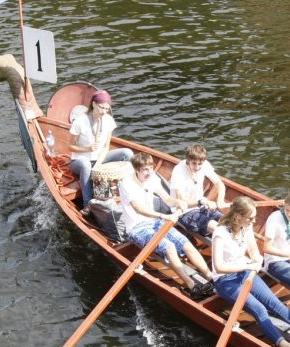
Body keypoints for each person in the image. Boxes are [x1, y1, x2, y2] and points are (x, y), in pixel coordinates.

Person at [212, 197, 290, 347]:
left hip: (246, 272)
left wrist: (256, 260)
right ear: (238, 217)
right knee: (259, 309)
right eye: (251, 218)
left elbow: (254, 252)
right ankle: (285, 345)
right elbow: (219, 267)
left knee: (274, 302)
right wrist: (248, 266)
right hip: (226, 280)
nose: (254, 221)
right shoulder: (220, 234)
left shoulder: (246, 228)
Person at [118, 154, 215, 299]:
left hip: (156, 221)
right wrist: (164, 216)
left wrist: (178, 203)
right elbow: (138, 209)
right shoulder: (127, 183)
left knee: (185, 244)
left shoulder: (152, 179)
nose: (149, 172)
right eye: (145, 169)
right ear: (136, 170)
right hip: (137, 227)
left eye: (151, 168)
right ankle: (192, 285)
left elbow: (168, 199)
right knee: (168, 247)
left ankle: (211, 277)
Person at [68, 89, 133, 208]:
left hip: (99, 158)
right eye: (101, 107)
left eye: (107, 108)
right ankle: (87, 205)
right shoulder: (80, 122)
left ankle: (126, 193)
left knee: (127, 153)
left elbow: (106, 147)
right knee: (86, 165)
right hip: (80, 160)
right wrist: (87, 149)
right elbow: (70, 146)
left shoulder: (108, 120)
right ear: (93, 104)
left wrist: (98, 165)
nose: (104, 111)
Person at [169, 144, 229, 237]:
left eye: (200, 164)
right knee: (219, 229)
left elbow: (219, 184)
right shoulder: (178, 171)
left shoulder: (205, 164)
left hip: (202, 207)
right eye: (194, 163)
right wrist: (201, 202)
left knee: (232, 223)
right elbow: (182, 202)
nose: (197, 167)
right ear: (188, 160)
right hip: (184, 211)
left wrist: (220, 200)